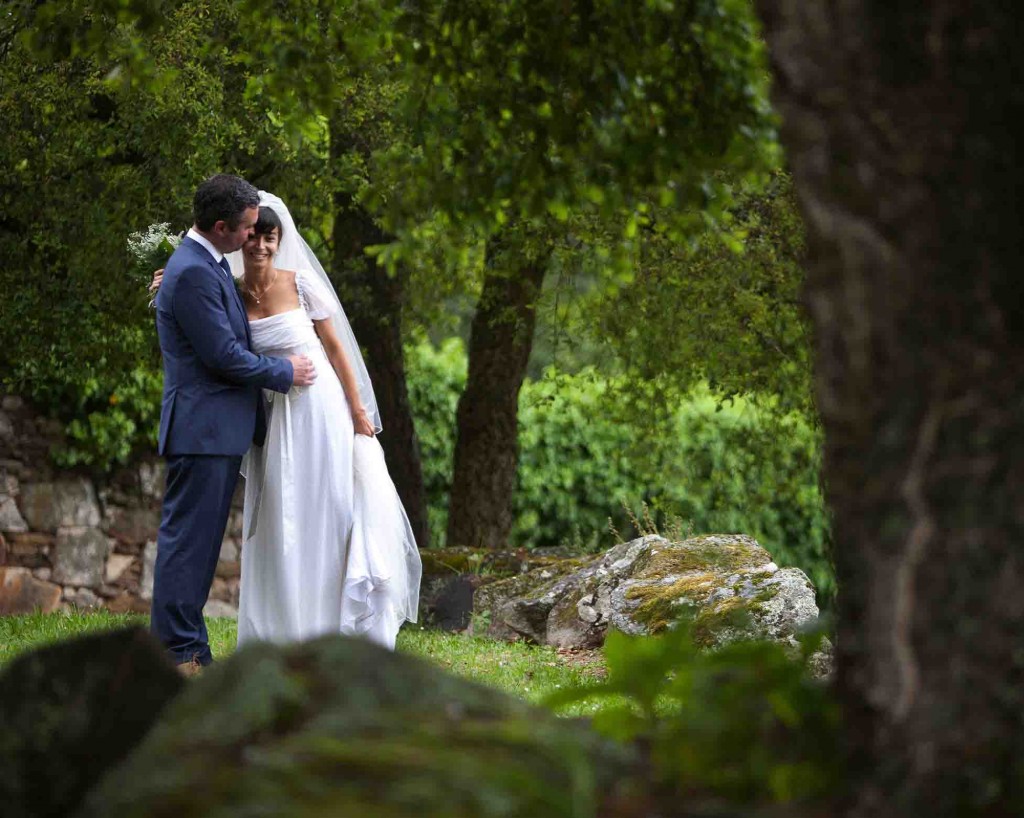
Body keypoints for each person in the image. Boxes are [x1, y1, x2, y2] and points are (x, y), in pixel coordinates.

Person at [152, 191, 421, 654]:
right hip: (271, 419)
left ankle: (330, 624)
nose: (257, 244)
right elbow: (216, 338)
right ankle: (275, 628)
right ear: (230, 232)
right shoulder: (222, 282)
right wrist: (168, 282)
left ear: (281, 240)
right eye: (250, 234)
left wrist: (358, 412)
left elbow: (336, 350)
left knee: (327, 510)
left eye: (268, 236)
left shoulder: (296, 284)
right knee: (279, 519)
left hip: (317, 413)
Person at [152, 175, 317, 675]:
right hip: (204, 429)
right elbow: (224, 356)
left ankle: (190, 649)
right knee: (188, 547)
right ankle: (179, 654)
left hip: (212, 429)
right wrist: (285, 372)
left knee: (197, 549)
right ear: (221, 226)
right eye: (246, 228)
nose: (253, 237)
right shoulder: (195, 272)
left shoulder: (205, 264)